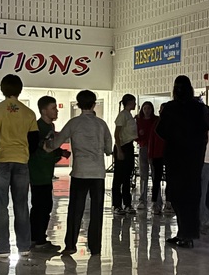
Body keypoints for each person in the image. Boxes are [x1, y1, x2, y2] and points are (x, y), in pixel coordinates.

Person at [46, 90, 111, 256]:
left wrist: (46, 145)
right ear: (94, 104)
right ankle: (95, 248)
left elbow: (55, 144)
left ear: (78, 104)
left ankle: (70, 245)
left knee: (75, 209)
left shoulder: (73, 123)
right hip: (97, 174)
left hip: (79, 172)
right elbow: (109, 149)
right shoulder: (101, 124)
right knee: (96, 211)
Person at [0, 74, 39, 260]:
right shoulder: (29, 113)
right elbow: (34, 140)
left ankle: (3, 247)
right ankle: (23, 247)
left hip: (0, 159)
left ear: (2, 89)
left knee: (0, 204)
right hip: (21, 160)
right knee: (21, 204)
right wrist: (26, 154)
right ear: (20, 90)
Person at [155, 76, 209, 248]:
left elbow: (160, 130)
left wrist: (176, 137)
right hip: (194, 158)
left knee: (177, 196)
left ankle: (184, 232)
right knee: (192, 195)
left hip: (175, 157)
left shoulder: (170, 108)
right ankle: (188, 233)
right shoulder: (200, 108)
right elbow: (207, 128)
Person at [29, 95, 70, 251]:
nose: (56, 111)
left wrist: (60, 152)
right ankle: (39, 239)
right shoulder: (37, 128)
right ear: (43, 110)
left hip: (46, 172)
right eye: (53, 108)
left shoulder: (51, 128)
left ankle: (36, 237)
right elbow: (40, 148)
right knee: (43, 206)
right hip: (38, 172)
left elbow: (51, 147)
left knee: (41, 206)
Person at [112, 93, 137, 215]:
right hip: (122, 146)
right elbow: (116, 134)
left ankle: (127, 203)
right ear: (129, 102)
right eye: (133, 102)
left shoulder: (130, 116)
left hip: (129, 146)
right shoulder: (122, 115)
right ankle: (116, 204)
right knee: (119, 177)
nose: (135, 104)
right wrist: (119, 150)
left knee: (127, 176)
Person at [135, 101, 158, 210]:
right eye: (145, 108)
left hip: (154, 149)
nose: (147, 110)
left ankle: (156, 201)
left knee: (155, 175)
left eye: (149, 108)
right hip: (143, 147)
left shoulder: (156, 120)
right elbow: (135, 134)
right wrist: (139, 138)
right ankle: (142, 200)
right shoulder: (139, 121)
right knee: (143, 175)